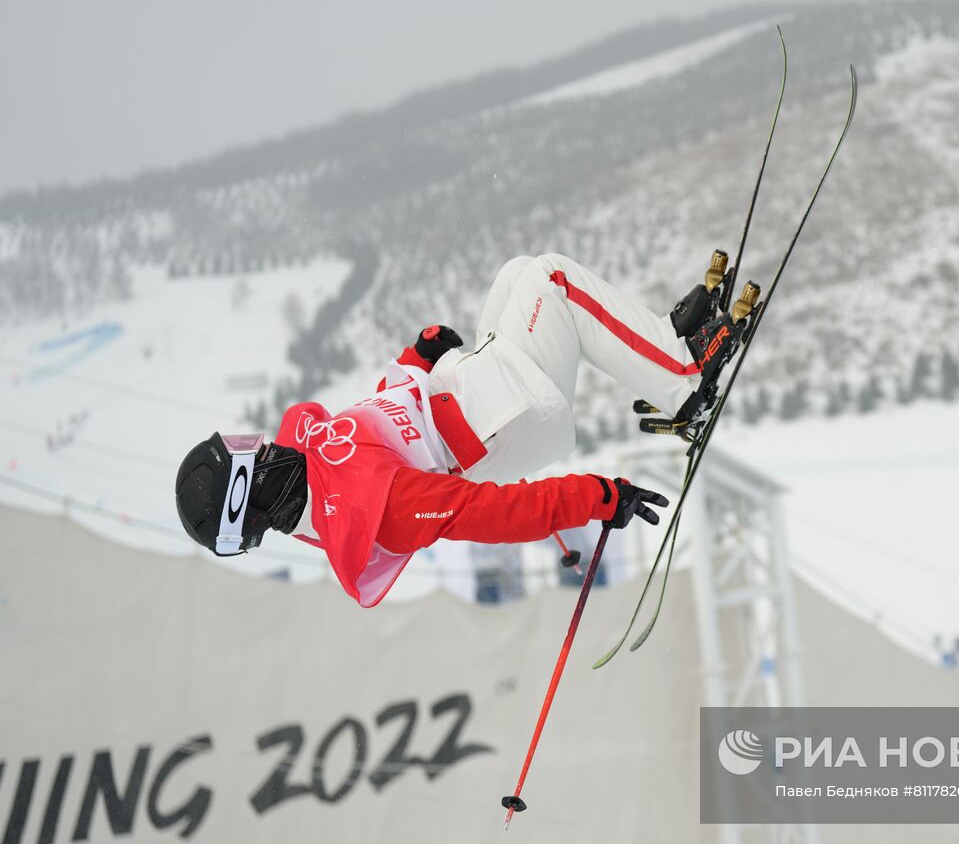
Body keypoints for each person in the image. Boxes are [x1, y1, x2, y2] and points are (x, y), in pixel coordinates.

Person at [174, 252, 741, 606]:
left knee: (516, 271)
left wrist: (414, 360)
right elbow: (489, 515)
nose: (270, 448)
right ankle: (684, 383)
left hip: (468, 387)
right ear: (258, 497)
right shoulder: (375, 510)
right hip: (502, 421)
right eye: (259, 459)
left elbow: (368, 426)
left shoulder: (302, 451)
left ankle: (658, 350)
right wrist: (598, 498)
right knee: (553, 280)